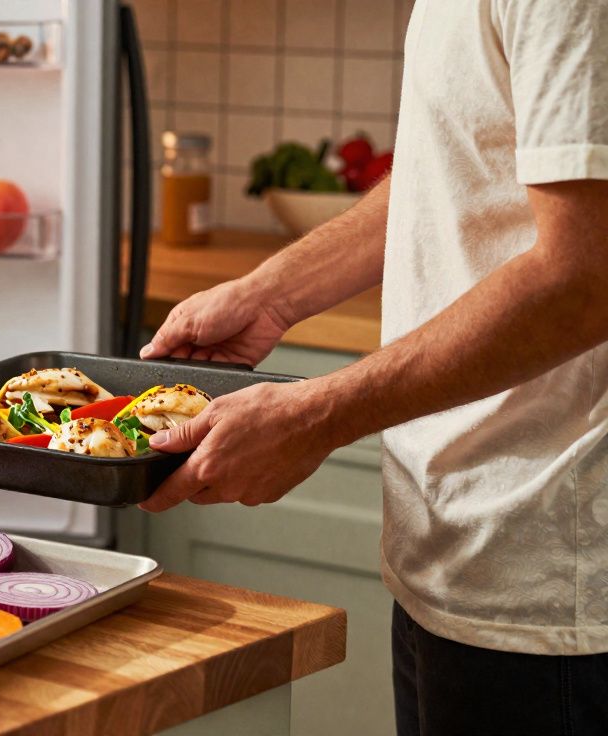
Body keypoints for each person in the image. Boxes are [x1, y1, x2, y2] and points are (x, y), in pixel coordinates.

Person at [138, 2, 608, 734]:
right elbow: (453, 165)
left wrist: (317, 413)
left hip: (549, 581)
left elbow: (584, 278)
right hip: (448, 547)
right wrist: (272, 293)